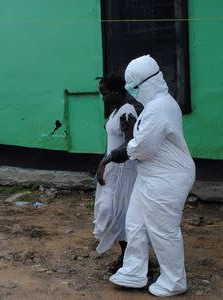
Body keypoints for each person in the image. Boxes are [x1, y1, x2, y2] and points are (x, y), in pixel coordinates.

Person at [108, 55, 195, 297]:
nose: (130, 91)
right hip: (151, 175)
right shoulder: (155, 105)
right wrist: (134, 145)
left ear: (144, 83)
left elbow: (144, 147)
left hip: (168, 177)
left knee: (162, 229)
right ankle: (134, 271)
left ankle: (174, 281)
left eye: (132, 86)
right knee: (135, 223)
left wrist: (128, 148)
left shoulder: (160, 107)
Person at [93, 75, 138, 273]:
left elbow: (129, 144)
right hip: (112, 170)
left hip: (123, 172)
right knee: (111, 211)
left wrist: (106, 162)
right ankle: (125, 255)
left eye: (104, 93)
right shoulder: (114, 113)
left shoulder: (127, 112)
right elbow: (111, 141)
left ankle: (130, 259)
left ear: (117, 92)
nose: (102, 97)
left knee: (119, 213)